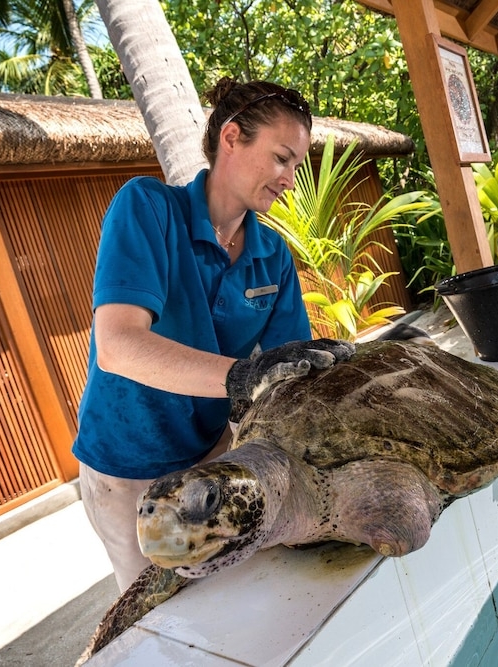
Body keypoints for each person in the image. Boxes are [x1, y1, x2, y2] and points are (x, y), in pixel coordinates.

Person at [73, 78, 355, 592]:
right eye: (281, 158)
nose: (290, 178)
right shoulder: (148, 209)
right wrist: (245, 375)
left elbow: (288, 377)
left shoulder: (272, 255)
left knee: (235, 604)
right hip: (126, 468)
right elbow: (117, 346)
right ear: (231, 138)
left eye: (296, 166)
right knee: (161, 620)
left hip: (214, 460)